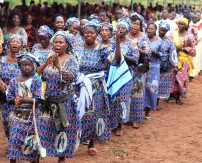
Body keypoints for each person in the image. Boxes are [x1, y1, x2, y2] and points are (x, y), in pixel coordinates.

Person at [76, 21, 121, 156]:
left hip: (96, 86)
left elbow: (115, 61)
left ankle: (91, 142)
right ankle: (75, 140)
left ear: (97, 35)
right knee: (78, 113)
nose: (89, 35)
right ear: (83, 34)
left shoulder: (102, 48)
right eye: (86, 32)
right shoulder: (77, 48)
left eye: (92, 33)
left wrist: (117, 43)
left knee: (94, 114)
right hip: (80, 84)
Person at [36, 31, 80, 163]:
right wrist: (46, 64)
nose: (57, 44)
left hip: (64, 102)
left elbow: (72, 77)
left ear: (67, 45)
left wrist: (58, 66)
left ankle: (61, 157)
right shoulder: (49, 57)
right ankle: (40, 154)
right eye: (55, 42)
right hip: (48, 101)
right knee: (43, 127)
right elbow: (37, 74)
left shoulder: (71, 60)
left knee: (62, 130)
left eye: (61, 42)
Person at [7, 53, 42, 163]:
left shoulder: (37, 81)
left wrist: (24, 100)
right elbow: (9, 97)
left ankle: (34, 160)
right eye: (24, 65)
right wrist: (15, 100)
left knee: (31, 141)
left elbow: (40, 99)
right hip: (17, 116)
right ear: (19, 66)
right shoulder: (14, 81)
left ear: (34, 66)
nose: (26, 67)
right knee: (14, 140)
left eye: (29, 65)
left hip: (33, 118)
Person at [110, 19, 139, 136]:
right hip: (112, 74)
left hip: (125, 75)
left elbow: (135, 60)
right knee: (112, 98)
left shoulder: (132, 43)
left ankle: (120, 125)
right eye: (118, 28)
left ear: (127, 30)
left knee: (123, 99)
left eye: (123, 28)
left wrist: (122, 55)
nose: (120, 30)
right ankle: (111, 123)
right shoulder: (111, 42)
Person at [126, 15, 150, 129]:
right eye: (132, 23)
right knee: (126, 93)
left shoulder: (143, 37)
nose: (134, 26)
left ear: (140, 26)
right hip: (125, 68)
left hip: (138, 69)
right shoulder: (125, 35)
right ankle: (124, 117)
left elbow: (146, 51)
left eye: (137, 24)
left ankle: (135, 119)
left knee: (137, 93)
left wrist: (135, 48)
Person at [0, 35, 24, 138]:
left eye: (18, 42)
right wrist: (1, 82)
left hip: (20, 95)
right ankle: (11, 143)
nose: (15, 44)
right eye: (13, 41)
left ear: (22, 45)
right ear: (8, 44)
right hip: (6, 96)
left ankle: (16, 145)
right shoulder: (3, 59)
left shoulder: (24, 59)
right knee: (6, 121)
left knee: (18, 120)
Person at [172, 18, 196, 104]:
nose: (180, 25)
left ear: (186, 25)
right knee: (173, 77)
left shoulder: (189, 36)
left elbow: (193, 50)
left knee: (181, 78)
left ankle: (178, 96)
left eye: (182, 24)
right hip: (174, 59)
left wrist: (182, 49)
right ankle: (173, 94)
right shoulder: (173, 34)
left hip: (184, 60)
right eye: (179, 24)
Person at [144, 23, 162, 118]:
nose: (149, 30)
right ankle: (140, 109)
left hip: (154, 67)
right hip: (143, 66)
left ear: (155, 30)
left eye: (152, 29)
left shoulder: (159, 41)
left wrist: (155, 52)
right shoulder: (143, 39)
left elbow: (162, 55)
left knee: (151, 88)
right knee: (141, 88)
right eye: (148, 28)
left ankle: (148, 111)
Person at [158, 21, 178, 100]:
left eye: (164, 30)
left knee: (163, 82)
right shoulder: (154, 38)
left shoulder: (169, 41)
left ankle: (158, 100)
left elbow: (173, 53)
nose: (161, 31)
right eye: (160, 29)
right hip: (154, 64)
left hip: (164, 65)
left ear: (166, 31)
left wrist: (175, 65)